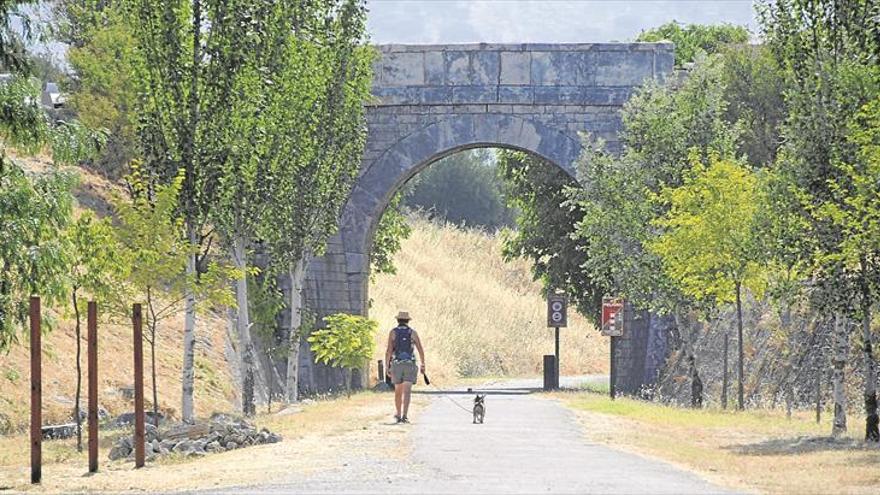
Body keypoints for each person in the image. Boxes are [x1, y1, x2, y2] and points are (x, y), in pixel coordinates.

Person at [385, 311, 425, 424]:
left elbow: (389, 351)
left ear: (398, 320)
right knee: (407, 391)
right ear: (408, 321)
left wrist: (387, 366)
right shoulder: (413, 333)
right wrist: (423, 364)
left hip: (397, 364)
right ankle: (405, 416)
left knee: (398, 390)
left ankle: (398, 414)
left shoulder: (393, 333)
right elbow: (420, 349)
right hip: (410, 364)